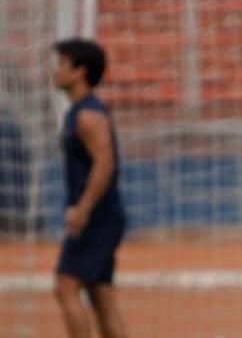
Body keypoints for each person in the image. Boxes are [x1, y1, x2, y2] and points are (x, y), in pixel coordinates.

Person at [52, 39, 128, 338]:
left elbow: (104, 163)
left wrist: (82, 210)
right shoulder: (80, 112)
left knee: (65, 284)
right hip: (102, 216)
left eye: (62, 64)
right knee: (101, 295)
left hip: (96, 217)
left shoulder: (87, 115)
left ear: (79, 71)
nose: (55, 71)